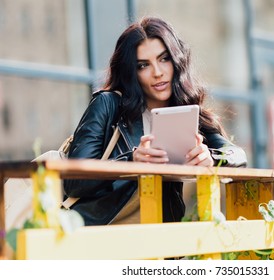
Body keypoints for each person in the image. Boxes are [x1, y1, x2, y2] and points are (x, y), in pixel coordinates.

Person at [63, 16, 247, 226]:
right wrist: (131, 162)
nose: (157, 73)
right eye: (143, 65)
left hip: (162, 239)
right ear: (131, 71)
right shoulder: (108, 104)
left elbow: (237, 155)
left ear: (177, 60)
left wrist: (211, 158)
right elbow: (74, 181)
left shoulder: (187, 114)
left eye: (164, 59)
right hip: (105, 233)